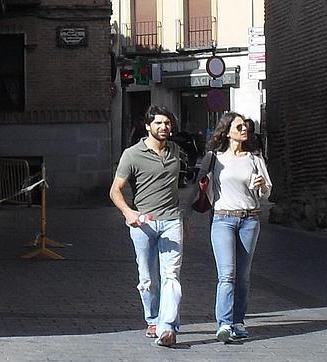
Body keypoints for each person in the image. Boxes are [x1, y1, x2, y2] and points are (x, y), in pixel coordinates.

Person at [109, 105, 184, 347]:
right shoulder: (132, 154)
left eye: (167, 123)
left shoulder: (175, 150)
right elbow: (115, 190)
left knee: (171, 276)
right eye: (159, 123)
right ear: (148, 126)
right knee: (148, 278)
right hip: (143, 224)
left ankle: (167, 327)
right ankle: (152, 319)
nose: (164, 127)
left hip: (172, 221)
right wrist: (128, 212)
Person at [196, 112, 272, 343]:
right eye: (239, 127)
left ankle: (238, 321)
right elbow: (199, 186)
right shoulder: (215, 158)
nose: (244, 130)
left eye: (246, 127)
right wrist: (187, 215)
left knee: (243, 276)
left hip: (250, 219)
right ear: (227, 131)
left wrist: (261, 187)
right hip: (222, 219)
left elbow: (267, 192)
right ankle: (224, 324)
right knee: (226, 274)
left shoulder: (255, 159)